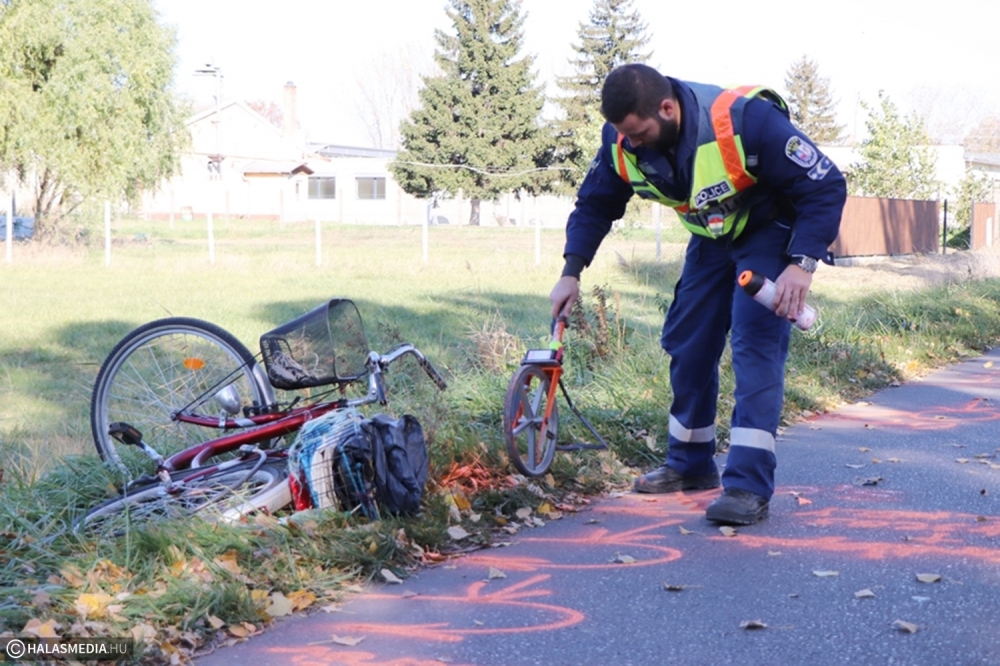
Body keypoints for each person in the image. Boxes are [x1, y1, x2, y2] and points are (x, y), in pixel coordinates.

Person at [550, 64, 846, 525]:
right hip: (712, 237)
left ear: (667, 109)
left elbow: (826, 184)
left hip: (770, 231)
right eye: (624, 134)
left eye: (641, 131)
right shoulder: (622, 143)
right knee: (689, 342)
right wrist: (571, 272)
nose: (634, 143)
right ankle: (690, 464)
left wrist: (801, 265)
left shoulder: (745, 122)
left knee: (754, 346)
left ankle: (747, 488)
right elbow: (595, 203)